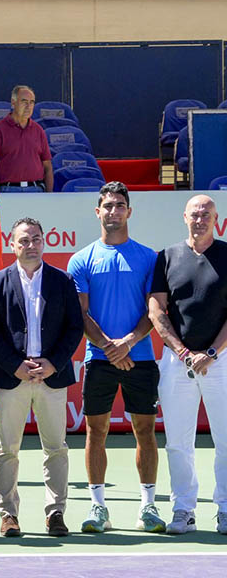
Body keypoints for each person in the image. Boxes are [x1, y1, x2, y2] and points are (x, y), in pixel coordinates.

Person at [69, 182, 164, 534]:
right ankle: (98, 508)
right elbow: (80, 313)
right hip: (99, 359)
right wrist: (111, 346)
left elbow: (154, 310)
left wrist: (128, 342)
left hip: (140, 359)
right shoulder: (82, 259)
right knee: (96, 431)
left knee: (145, 431)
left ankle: (149, 507)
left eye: (119, 205)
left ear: (129, 211)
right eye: (107, 206)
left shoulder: (149, 258)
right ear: (98, 212)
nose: (113, 211)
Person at [0, 218, 83, 538]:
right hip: (12, 378)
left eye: (36, 239)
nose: (30, 245)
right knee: (7, 449)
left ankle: (55, 513)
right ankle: (8, 514)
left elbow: (74, 327)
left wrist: (53, 363)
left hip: (52, 378)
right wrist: (15, 366)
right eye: (23, 240)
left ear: (44, 242)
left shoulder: (63, 280)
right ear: (11, 245)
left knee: (56, 448)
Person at [148, 194, 227, 536]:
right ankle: (183, 511)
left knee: (225, 439)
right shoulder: (166, 257)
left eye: (206, 214)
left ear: (216, 218)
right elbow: (156, 310)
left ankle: (225, 509)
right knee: (178, 442)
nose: (200, 219)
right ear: (184, 217)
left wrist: (210, 353)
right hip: (177, 364)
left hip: (220, 362)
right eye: (195, 214)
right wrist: (182, 352)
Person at [0, 85, 54, 192]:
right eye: (24, 101)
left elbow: (48, 167)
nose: (28, 106)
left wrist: (49, 195)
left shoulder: (38, 130)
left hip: (36, 190)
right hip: (8, 191)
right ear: (13, 102)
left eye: (32, 102)